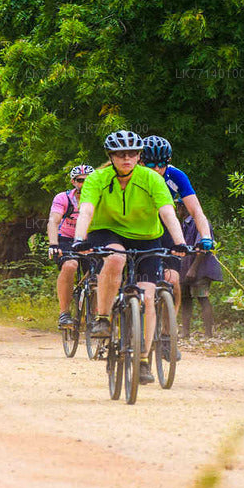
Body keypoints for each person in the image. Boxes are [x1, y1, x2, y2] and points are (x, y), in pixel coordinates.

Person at [70, 130, 189, 385]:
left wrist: (179, 242)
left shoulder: (151, 179)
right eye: (121, 154)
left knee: (147, 296)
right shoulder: (98, 178)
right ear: (111, 156)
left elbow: (167, 212)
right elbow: (87, 210)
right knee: (115, 259)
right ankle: (102, 318)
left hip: (147, 236)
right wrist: (79, 239)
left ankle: (143, 359)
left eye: (133, 153)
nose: (127, 158)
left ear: (139, 156)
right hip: (107, 231)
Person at [139, 135, 215, 309]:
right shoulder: (132, 175)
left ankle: (168, 330)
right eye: (151, 164)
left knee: (173, 281)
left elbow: (196, 210)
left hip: (165, 225)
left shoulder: (175, 175)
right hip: (136, 226)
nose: (157, 168)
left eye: (162, 164)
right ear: (141, 161)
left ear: (169, 161)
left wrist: (205, 237)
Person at [48, 164, 95, 328]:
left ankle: (98, 316)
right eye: (80, 180)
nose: (84, 184)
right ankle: (64, 313)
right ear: (73, 181)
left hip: (92, 239)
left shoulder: (100, 197)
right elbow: (53, 221)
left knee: (99, 272)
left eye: (88, 181)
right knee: (70, 265)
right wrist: (53, 244)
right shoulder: (63, 198)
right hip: (67, 239)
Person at [180, 215, 222, 340]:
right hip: (185, 266)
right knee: (185, 299)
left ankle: (208, 333)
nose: (178, 208)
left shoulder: (200, 222)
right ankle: (185, 332)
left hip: (200, 267)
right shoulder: (184, 223)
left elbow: (203, 247)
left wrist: (193, 268)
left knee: (202, 298)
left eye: (180, 205)